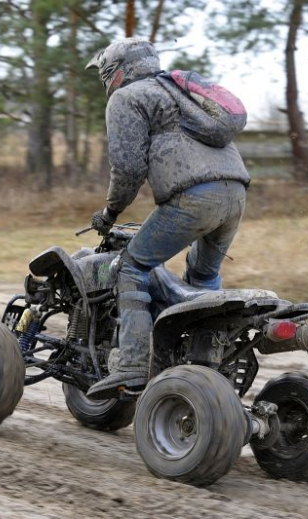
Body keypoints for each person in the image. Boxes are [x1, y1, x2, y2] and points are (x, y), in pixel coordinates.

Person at [84, 38, 251, 399]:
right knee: (203, 279)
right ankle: (202, 366)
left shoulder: (126, 98)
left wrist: (109, 213)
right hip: (236, 194)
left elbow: (128, 169)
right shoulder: (181, 92)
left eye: (104, 74)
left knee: (130, 267)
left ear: (117, 71)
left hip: (193, 198)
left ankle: (132, 365)